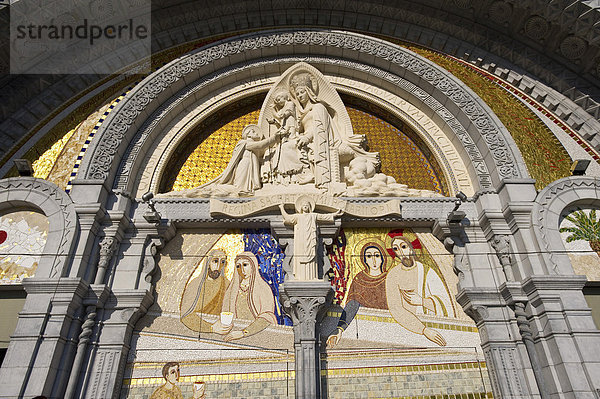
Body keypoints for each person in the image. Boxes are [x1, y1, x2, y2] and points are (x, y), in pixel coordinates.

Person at [327, 240, 388, 347]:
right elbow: (352, 304)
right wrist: (340, 329)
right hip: (367, 326)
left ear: (383, 258)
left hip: (388, 325)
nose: (373, 260)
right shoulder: (359, 279)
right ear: (364, 260)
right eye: (369, 256)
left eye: (377, 255)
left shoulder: (390, 279)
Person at [211, 252, 277, 341]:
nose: (242, 270)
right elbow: (225, 313)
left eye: (245, 265)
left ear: (253, 266)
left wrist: (244, 332)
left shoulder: (263, 288)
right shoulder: (231, 290)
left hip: (255, 334)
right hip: (232, 335)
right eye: (238, 266)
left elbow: (267, 317)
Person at [205, 124, 283, 194]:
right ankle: (216, 188)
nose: (256, 133)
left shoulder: (253, 146)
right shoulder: (244, 143)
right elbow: (261, 145)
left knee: (245, 190)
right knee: (239, 188)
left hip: (251, 166)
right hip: (245, 165)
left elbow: (264, 149)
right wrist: (274, 137)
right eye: (253, 132)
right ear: (248, 135)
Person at [279, 196, 343, 280]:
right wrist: (281, 208)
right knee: (300, 256)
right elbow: (288, 218)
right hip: (301, 241)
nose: (305, 206)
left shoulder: (313, 215)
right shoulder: (298, 217)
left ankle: (313, 277)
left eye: (307, 205)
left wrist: (334, 214)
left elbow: (323, 217)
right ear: (301, 207)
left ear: (309, 207)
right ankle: (299, 277)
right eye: (303, 205)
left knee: (312, 257)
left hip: (311, 240)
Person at [390, 235, 454, 317]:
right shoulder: (394, 274)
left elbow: (446, 304)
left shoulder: (427, 272)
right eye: (396, 249)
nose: (401, 252)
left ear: (410, 248)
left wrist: (422, 301)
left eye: (403, 246)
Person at [180, 249, 229, 332]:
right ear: (208, 263)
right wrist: (211, 328)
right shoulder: (195, 284)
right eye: (215, 261)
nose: (218, 266)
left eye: (222, 262)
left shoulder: (227, 285)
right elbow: (185, 314)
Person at [266, 89, 305, 183]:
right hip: (286, 128)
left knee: (288, 144)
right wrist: (275, 121)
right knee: (283, 146)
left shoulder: (290, 104)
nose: (278, 102)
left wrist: (273, 110)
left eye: (279, 99)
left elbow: (281, 116)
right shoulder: (284, 108)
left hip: (291, 127)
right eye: (277, 100)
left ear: (285, 97)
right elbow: (281, 120)